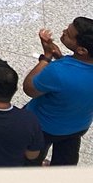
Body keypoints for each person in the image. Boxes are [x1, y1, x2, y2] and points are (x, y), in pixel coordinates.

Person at [24, 19, 93, 166]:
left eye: (68, 34)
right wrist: (61, 58)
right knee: (65, 161)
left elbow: (29, 88)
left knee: (30, 159)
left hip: (43, 126)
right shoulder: (69, 67)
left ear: (82, 50)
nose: (63, 32)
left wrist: (47, 57)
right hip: (78, 126)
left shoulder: (58, 71)